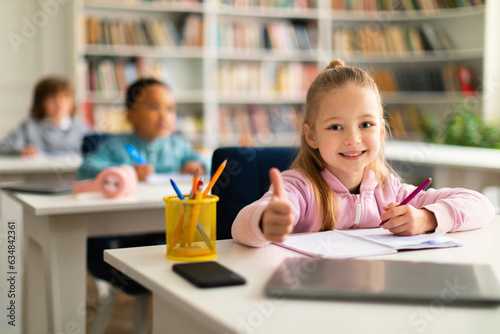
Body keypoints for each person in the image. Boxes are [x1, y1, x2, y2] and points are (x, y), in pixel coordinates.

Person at [231, 59, 495, 247]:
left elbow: (481, 205)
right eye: (335, 127)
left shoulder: (391, 192)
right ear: (311, 136)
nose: (353, 139)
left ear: (381, 131)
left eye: (365, 125)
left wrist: (427, 217)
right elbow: (240, 227)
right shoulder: (299, 188)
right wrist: (265, 222)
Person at [77, 77, 206, 181]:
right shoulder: (116, 146)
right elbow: (85, 170)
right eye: (154, 107)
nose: (164, 116)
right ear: (130, 115)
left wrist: (198, 166)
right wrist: (127, 172)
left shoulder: (178, 145)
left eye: (170, 109)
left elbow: (206, 163)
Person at [0, 76, 88, 156]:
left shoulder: (80, 127)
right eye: (53, 97)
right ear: (40, 102)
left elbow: (98, 148)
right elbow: (3, 147)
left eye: (65, 96)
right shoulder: (29, 127)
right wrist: (21, 151)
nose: (59, 102)